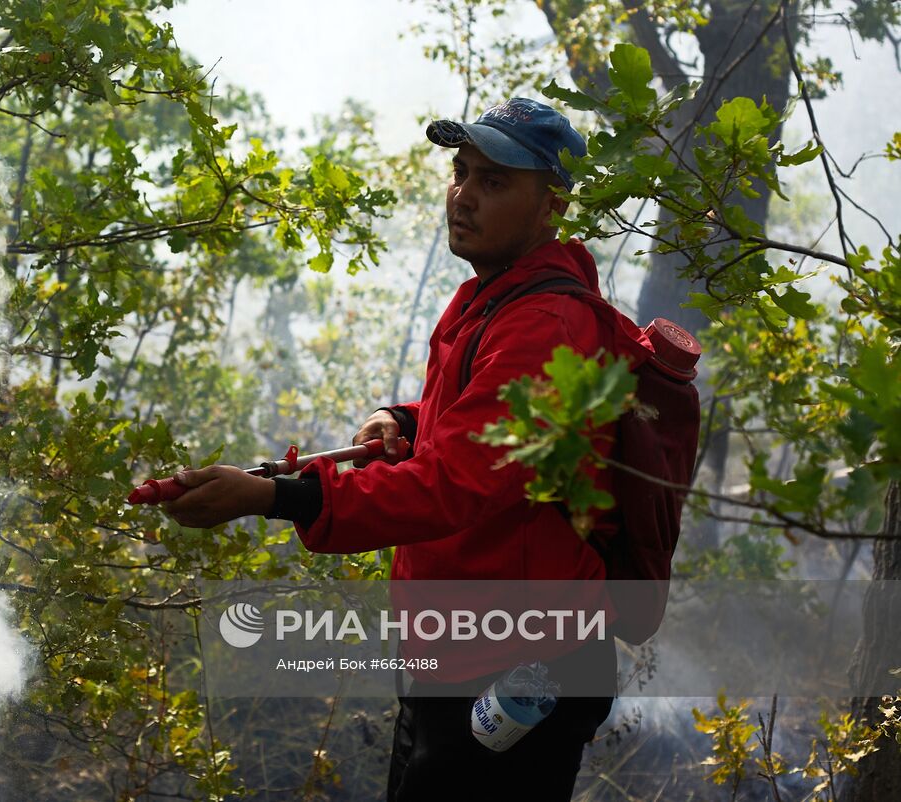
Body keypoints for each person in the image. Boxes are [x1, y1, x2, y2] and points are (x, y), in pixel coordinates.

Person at [160, 97, 637, 800]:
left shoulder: (546, 323)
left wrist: (273, 495)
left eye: (495, 181)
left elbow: (456, 482)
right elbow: (481, 425)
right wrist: (401, 419)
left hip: (519, 663)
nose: (463, 196)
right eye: (461, 171)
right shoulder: (492, 299)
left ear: (553, 205)